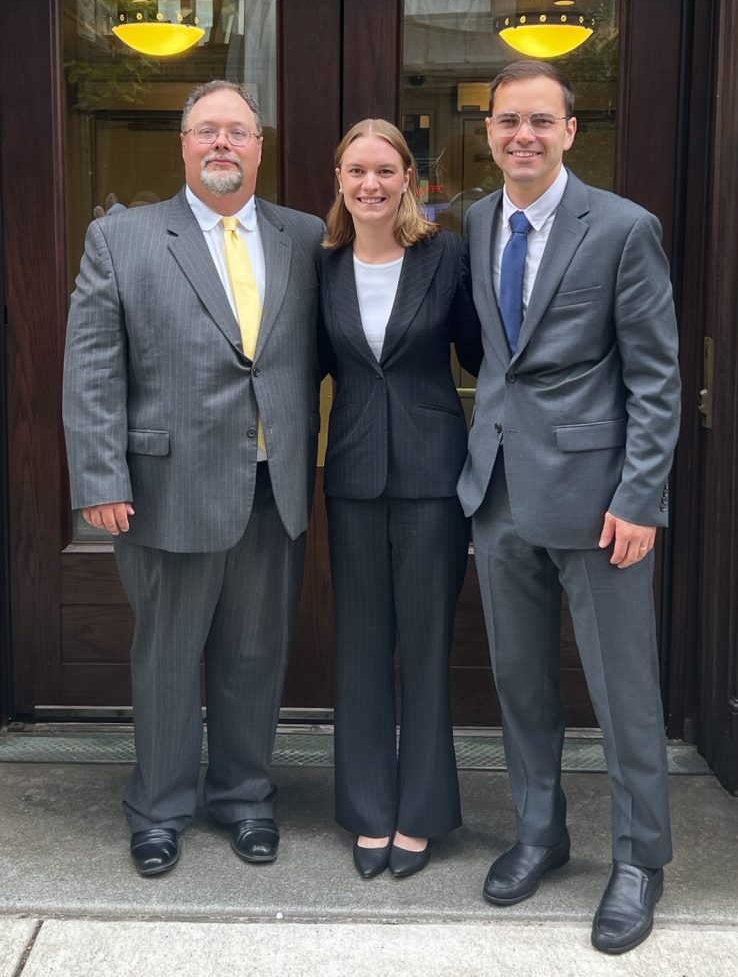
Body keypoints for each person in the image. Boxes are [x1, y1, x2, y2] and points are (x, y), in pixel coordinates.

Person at [62, 79, 324, 876]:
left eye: (237, 132)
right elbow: (94, 367)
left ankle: (245, 796)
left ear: (258, 146)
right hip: (166, 487)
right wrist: (100, 476)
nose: (222, 144)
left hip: (270, 486)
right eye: (206, 131)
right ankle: (160, 806)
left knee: (255, 652)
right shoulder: (125, 238)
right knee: (168, 655)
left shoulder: (306, 237)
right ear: (182, 144)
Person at [458, 60, 680, 954]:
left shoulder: (624, 229)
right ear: (489, 130)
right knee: (519, 682)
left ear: (570, 130)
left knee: (624, 691)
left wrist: (640, 496)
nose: (524, 135)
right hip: (498, 491)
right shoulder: (477, 221)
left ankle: (639, 860)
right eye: (509, 120)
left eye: (541, 121)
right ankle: (541, 833)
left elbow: (657, 377)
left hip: (600, 503)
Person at [319, 119, 482, 879]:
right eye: (358, 171)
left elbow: (484, 353)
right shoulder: (320, 267)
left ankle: (419, 813)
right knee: (359, 647)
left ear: (408, 177)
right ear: (341, 179)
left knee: (422, 648)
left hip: (431, 481)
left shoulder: (446, 255)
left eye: (386, 170)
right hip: (351, 478)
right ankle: (366, 809)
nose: (371, 184)